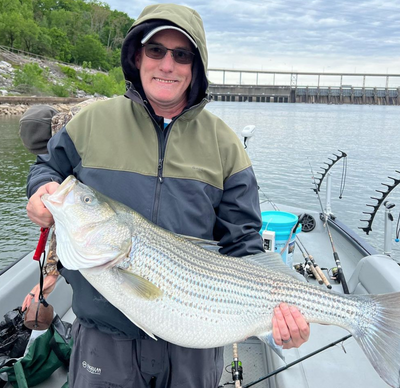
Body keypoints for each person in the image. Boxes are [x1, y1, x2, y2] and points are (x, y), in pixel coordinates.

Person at [25, 4, 310, 387]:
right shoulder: (92, 122)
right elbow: (49, 169)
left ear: (196, 67)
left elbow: (243, 243)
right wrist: (40, 190)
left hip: (195, 345)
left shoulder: (225, 144)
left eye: (181, 54)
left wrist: (283, 324)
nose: (167, 64)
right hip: (104, 342)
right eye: (156, 50)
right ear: (137, 56)